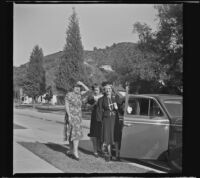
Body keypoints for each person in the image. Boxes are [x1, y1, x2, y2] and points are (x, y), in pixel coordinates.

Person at [96, 81, 122, 162]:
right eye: (106, 89)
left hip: (115, 119)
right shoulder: (101, 99)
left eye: (109, 89)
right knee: (108, 137)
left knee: (116, 136)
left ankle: (117, 155)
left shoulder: (116, 97)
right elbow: (99, 110)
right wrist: (100, 121)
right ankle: (109, 155)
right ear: (104, 90)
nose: (108, 90)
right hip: (106, 120)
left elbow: (121, 104)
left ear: (111, 89)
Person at [64, 81, 89, 161]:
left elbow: (88, 91)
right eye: (76, 87)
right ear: (73, 88)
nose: (77, 89)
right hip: (71, 116)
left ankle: (74, 151)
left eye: (79, 87)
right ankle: (72, 151)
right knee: (71, 134)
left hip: (78, 117)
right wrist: (69, 116)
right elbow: (67, 105)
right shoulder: (69, 94)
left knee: (76, 134)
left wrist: (82, 84)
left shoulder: (80, 95)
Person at [87, 84, 103, 158]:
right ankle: (95, 151)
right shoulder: (91, 97)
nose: (96, 91)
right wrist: (94, 104)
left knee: (100, 134)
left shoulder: (103, 97)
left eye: (97, 90)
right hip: (94, 117)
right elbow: (88, 107)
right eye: (95, 90)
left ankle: (100, 149)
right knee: (94, 135)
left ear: (100, 90)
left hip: (102, 117)